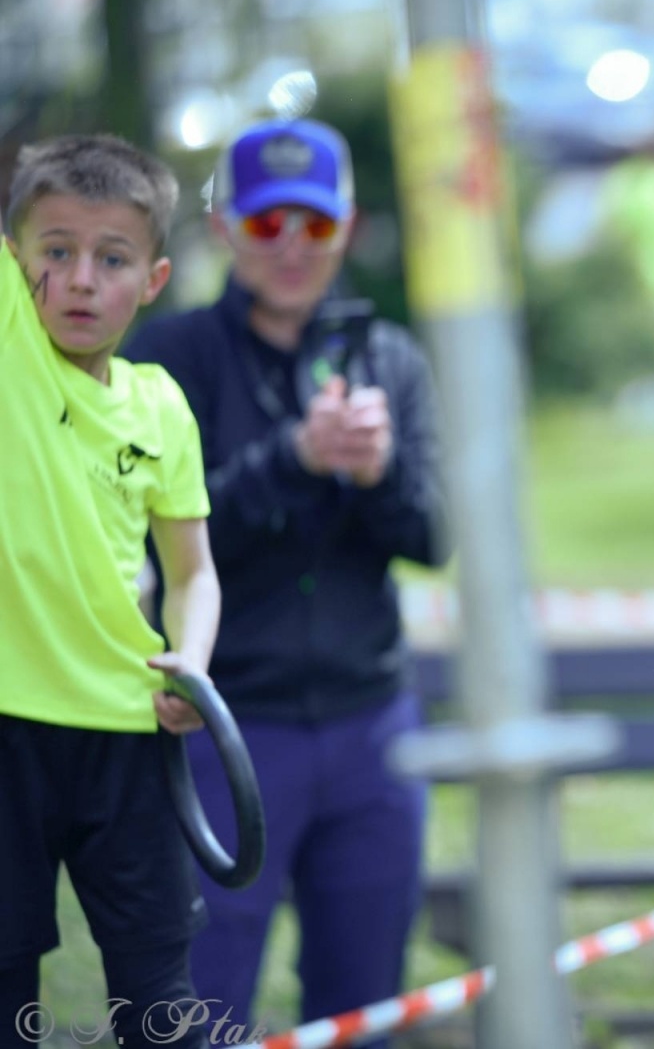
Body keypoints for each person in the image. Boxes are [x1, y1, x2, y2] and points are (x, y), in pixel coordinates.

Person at [123, 118, 445, 1039]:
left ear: (348, 223)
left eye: (314, 222)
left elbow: (432, 538)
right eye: (269, 225)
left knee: (363, 1003)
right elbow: (158, 548)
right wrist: (298, 458)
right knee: (202, 1003)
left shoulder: (391, 356)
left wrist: (375, 474)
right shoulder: (170, 361)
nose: (294, 247)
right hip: (228, 731)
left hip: (371, 726)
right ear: (227, 231)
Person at [0, 135, 219, 1048]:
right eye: (56, 252)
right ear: (17, 261)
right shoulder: (12, 344)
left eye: (112, 258)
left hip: (128, 737)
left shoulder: (161, 404)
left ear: (155, 278)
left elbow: (195, 572)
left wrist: (190, 668)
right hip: (7, 726)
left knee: (160, 1000)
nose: (81, 278)